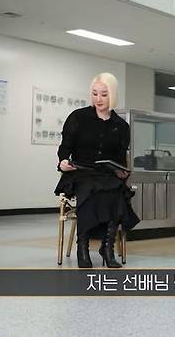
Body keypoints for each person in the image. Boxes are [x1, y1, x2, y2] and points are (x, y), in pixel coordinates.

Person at [54, 73, 140, 268]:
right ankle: (82, 247)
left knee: (116, 191)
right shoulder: (78, 117)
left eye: (104, 94)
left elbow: (120, 158)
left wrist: (122, 171)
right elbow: (65, 148)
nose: (98, 99)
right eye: (95, 94)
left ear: (113, 95)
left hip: (107, 174)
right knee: (90, 188)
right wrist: (63, 162)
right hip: (80, 172)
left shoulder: (121, 126)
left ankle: (107, 248)